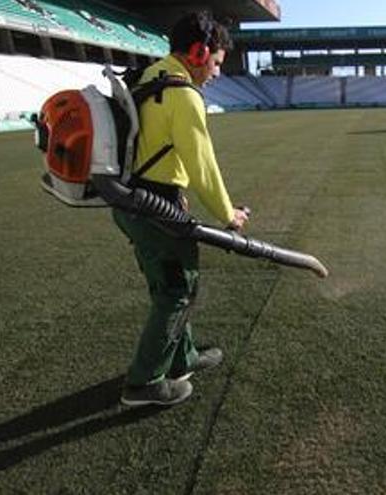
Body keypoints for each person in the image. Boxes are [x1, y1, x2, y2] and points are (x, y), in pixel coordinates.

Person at [114, 11, 249, 406]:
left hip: (133, 200)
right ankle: (144, 383)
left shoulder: (149, 76)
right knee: (176, 290)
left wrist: (174, 190)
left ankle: (181, 358)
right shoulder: (183, 94)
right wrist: (229, 215)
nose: (218, 73)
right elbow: (202, 166)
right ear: (198, 52)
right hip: (154, 208)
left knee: (171, 283)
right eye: (217, 63)